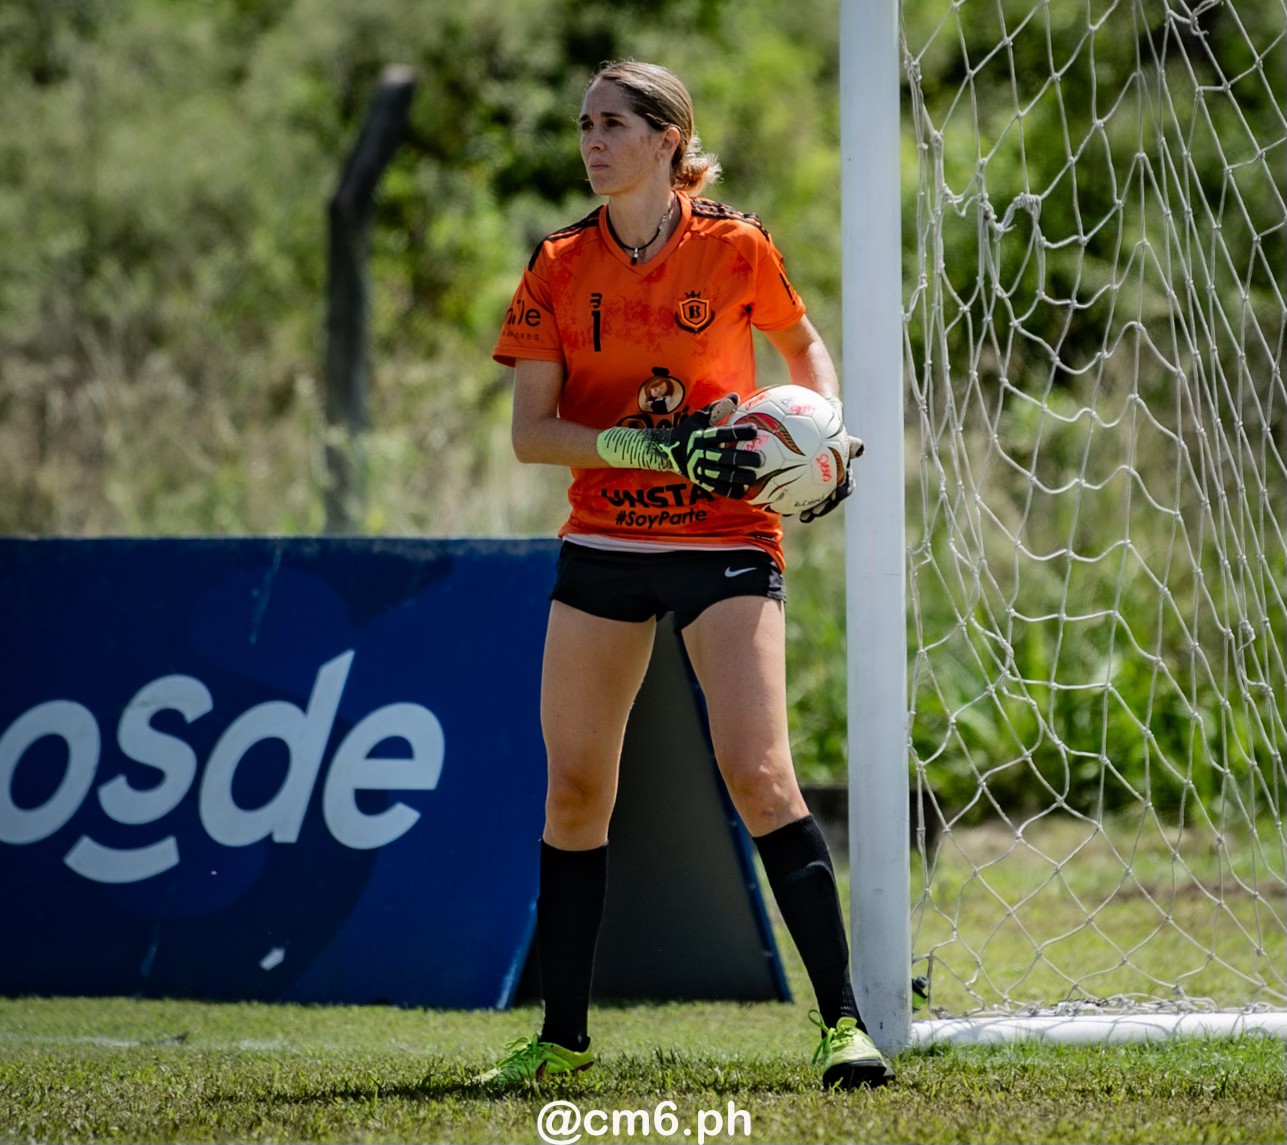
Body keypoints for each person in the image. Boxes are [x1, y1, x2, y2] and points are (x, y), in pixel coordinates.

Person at [483, 59, 890, 1091]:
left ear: (670, 139)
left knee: (760, 773)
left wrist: (827, 439)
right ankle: (563, 1039)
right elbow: (534, 436)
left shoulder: (737, 243)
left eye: (613, 123)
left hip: (727, 535)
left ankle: (844, 1024)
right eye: (583, 124)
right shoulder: (558, 263)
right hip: (607, 543)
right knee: (575, 790)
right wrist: (652, 451)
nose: (591, 141)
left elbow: (804, 346)